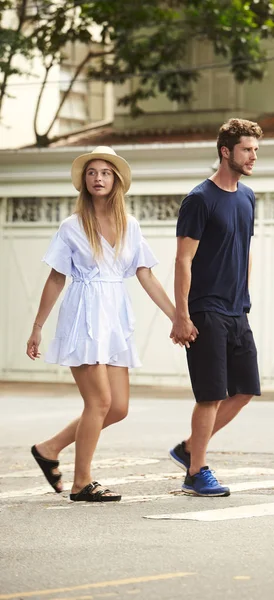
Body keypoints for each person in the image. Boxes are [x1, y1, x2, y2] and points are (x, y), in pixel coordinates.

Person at [27, 146, 178, 503]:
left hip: (114, 318)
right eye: (92, 172)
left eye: (105, 173)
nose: (98, 178)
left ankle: (49, 448)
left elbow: (146, 275)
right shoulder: (72, 226)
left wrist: (178, 316)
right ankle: (82, 483)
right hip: (83, 315)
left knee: (118, 407)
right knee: (99, 402)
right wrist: (37, 327)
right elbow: (55, 279)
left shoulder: (131, 226)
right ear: (84, 180)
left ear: (116, 181)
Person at [169, 118, 263, 497]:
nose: (253, 156)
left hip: (237, 309)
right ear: (226, 151)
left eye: (256, 149)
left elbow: (246, 248)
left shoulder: (247, 196)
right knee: (210, 395)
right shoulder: (199, 199)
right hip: (205, 309)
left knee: (245, 389)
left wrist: (243, 292)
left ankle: (190, 448)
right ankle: (196, 471)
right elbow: (183, 260)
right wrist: (182, 313)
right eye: (246, 149)